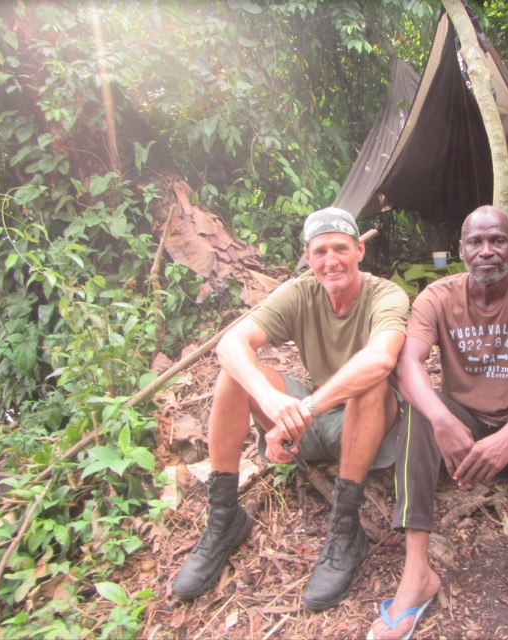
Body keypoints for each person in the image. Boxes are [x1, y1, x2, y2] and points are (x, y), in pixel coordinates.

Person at [172, 207, 409, 612]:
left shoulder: (385, 294)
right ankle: (225, 515)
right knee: (234, 374)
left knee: (370, 382)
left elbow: (382, 359)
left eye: (340, 248)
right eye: (320, 252)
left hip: (368, 424)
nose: (330, 260)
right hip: (311, 423)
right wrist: (269, 400)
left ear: (359, 251)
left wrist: (307, 409)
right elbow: (230, 344)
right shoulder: (300, 292)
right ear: (308, 256)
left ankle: (345, 526)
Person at [367, 205, 508, 640]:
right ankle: (417, 574)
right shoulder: (438, 297)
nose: (487, 251)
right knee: (418, 408)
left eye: (498, 241)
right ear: (462, 251)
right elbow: (407, 364)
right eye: (476, 242)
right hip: (462, 437)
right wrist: (441, 419)